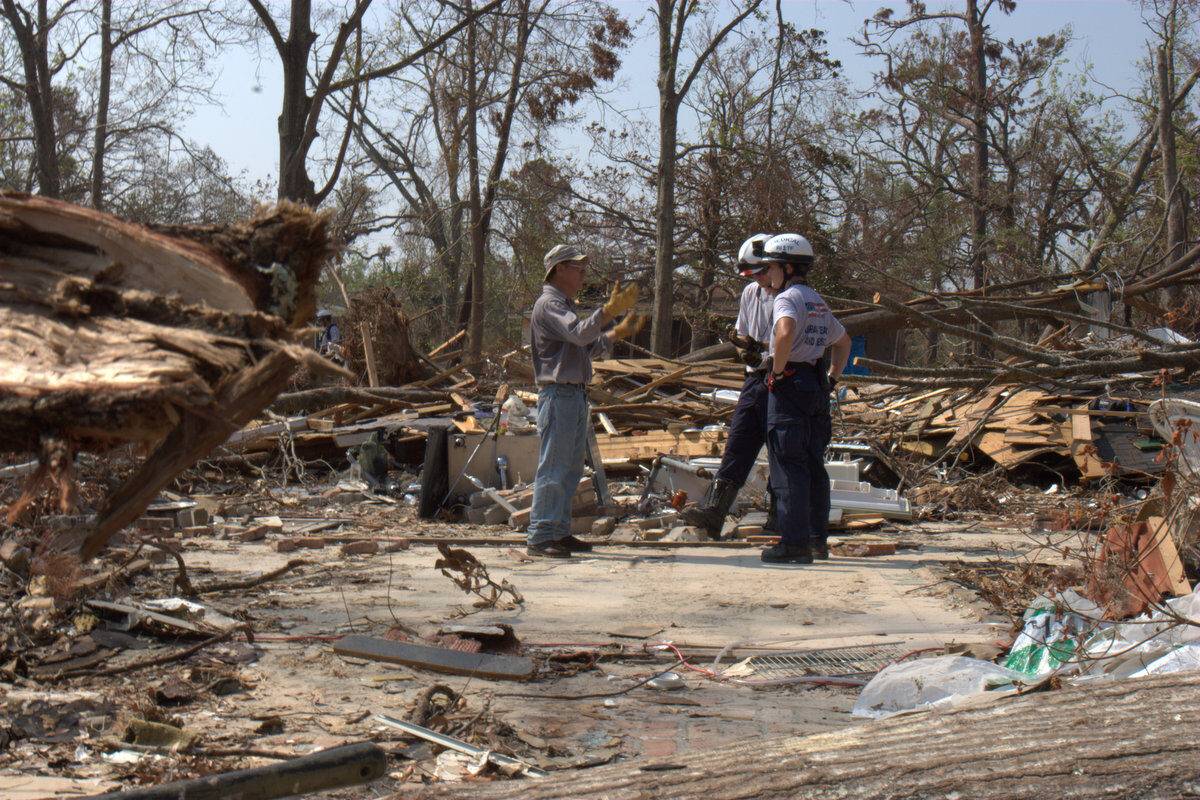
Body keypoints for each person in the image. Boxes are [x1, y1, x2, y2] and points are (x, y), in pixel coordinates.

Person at [527, 244, 647, 558]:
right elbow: (580, 335)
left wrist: (614, 333)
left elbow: (584, 348)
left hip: (573, 394)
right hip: (559, 394)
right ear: (559, 270)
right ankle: (541, 535)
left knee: (567, 469)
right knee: (554, 467)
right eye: (577, 269)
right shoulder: (550, 304)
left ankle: (558, 531)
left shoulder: (563, 305)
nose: (582, 275)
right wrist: (607, 312)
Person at [760, 233, 851, 564]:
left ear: (786, 267)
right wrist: (832, 378)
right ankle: (816, 540)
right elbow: (844, 342)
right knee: (814, 465)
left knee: (789, 465)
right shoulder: (817, 301)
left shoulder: (787, 299)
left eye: (771, 267)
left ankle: (793, 543)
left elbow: (784, 332)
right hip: (815, 383)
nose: (768, 274)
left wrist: (777, 372)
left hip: (792, 385)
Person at [679, 233, 778, 539]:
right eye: (753, 274)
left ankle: (781, 516)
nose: (758, 279)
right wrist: (745, 350)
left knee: (781, 450)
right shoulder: (751, 294)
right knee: (739, 443)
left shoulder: (792, 296)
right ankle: (714, 511)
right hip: (755, 380)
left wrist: (767, 353)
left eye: (761, 272)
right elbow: (742, 334)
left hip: (783, 380)